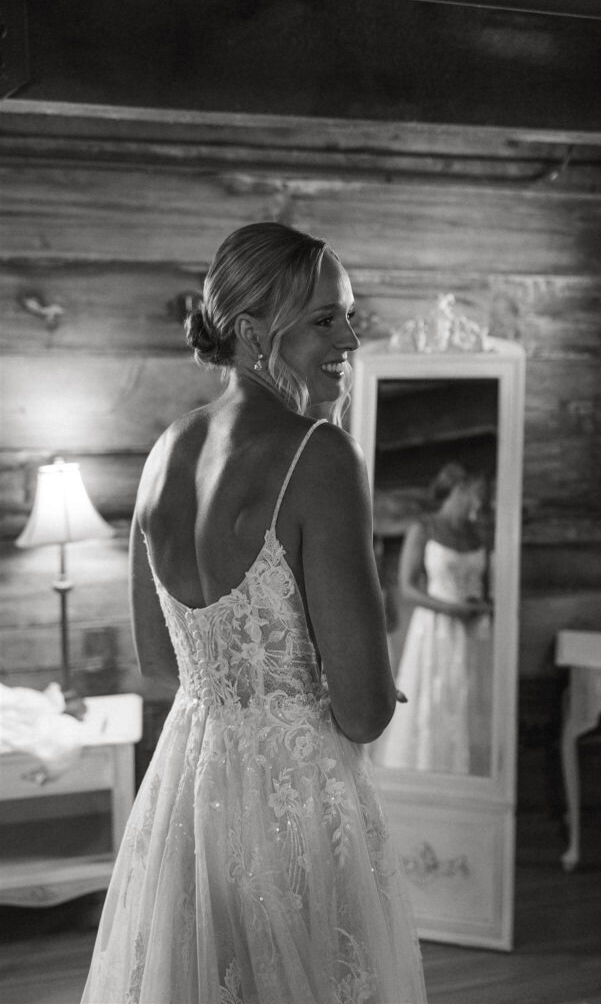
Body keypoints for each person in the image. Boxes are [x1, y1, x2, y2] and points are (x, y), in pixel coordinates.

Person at [81, 222, 427, 1004]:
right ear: (248, 332)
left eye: (348, 313)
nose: (350, 337)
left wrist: (247, 680)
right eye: (323, 319)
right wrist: (352, 680)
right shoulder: (319, 456)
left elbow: (161, 660)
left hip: (186, 801)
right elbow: (365, 711)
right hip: (296, 808)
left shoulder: (166, 449)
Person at [374, 462, 493, 775]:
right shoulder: (423, 528)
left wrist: (480, 607)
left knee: (468, 698)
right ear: (460, 490)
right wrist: (449, 609)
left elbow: (488, 584)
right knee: (434, 698)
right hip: (435, 627)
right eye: (476, 492)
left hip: (473, 628)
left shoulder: (477, 534)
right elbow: (408, 588)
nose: (480, 499)